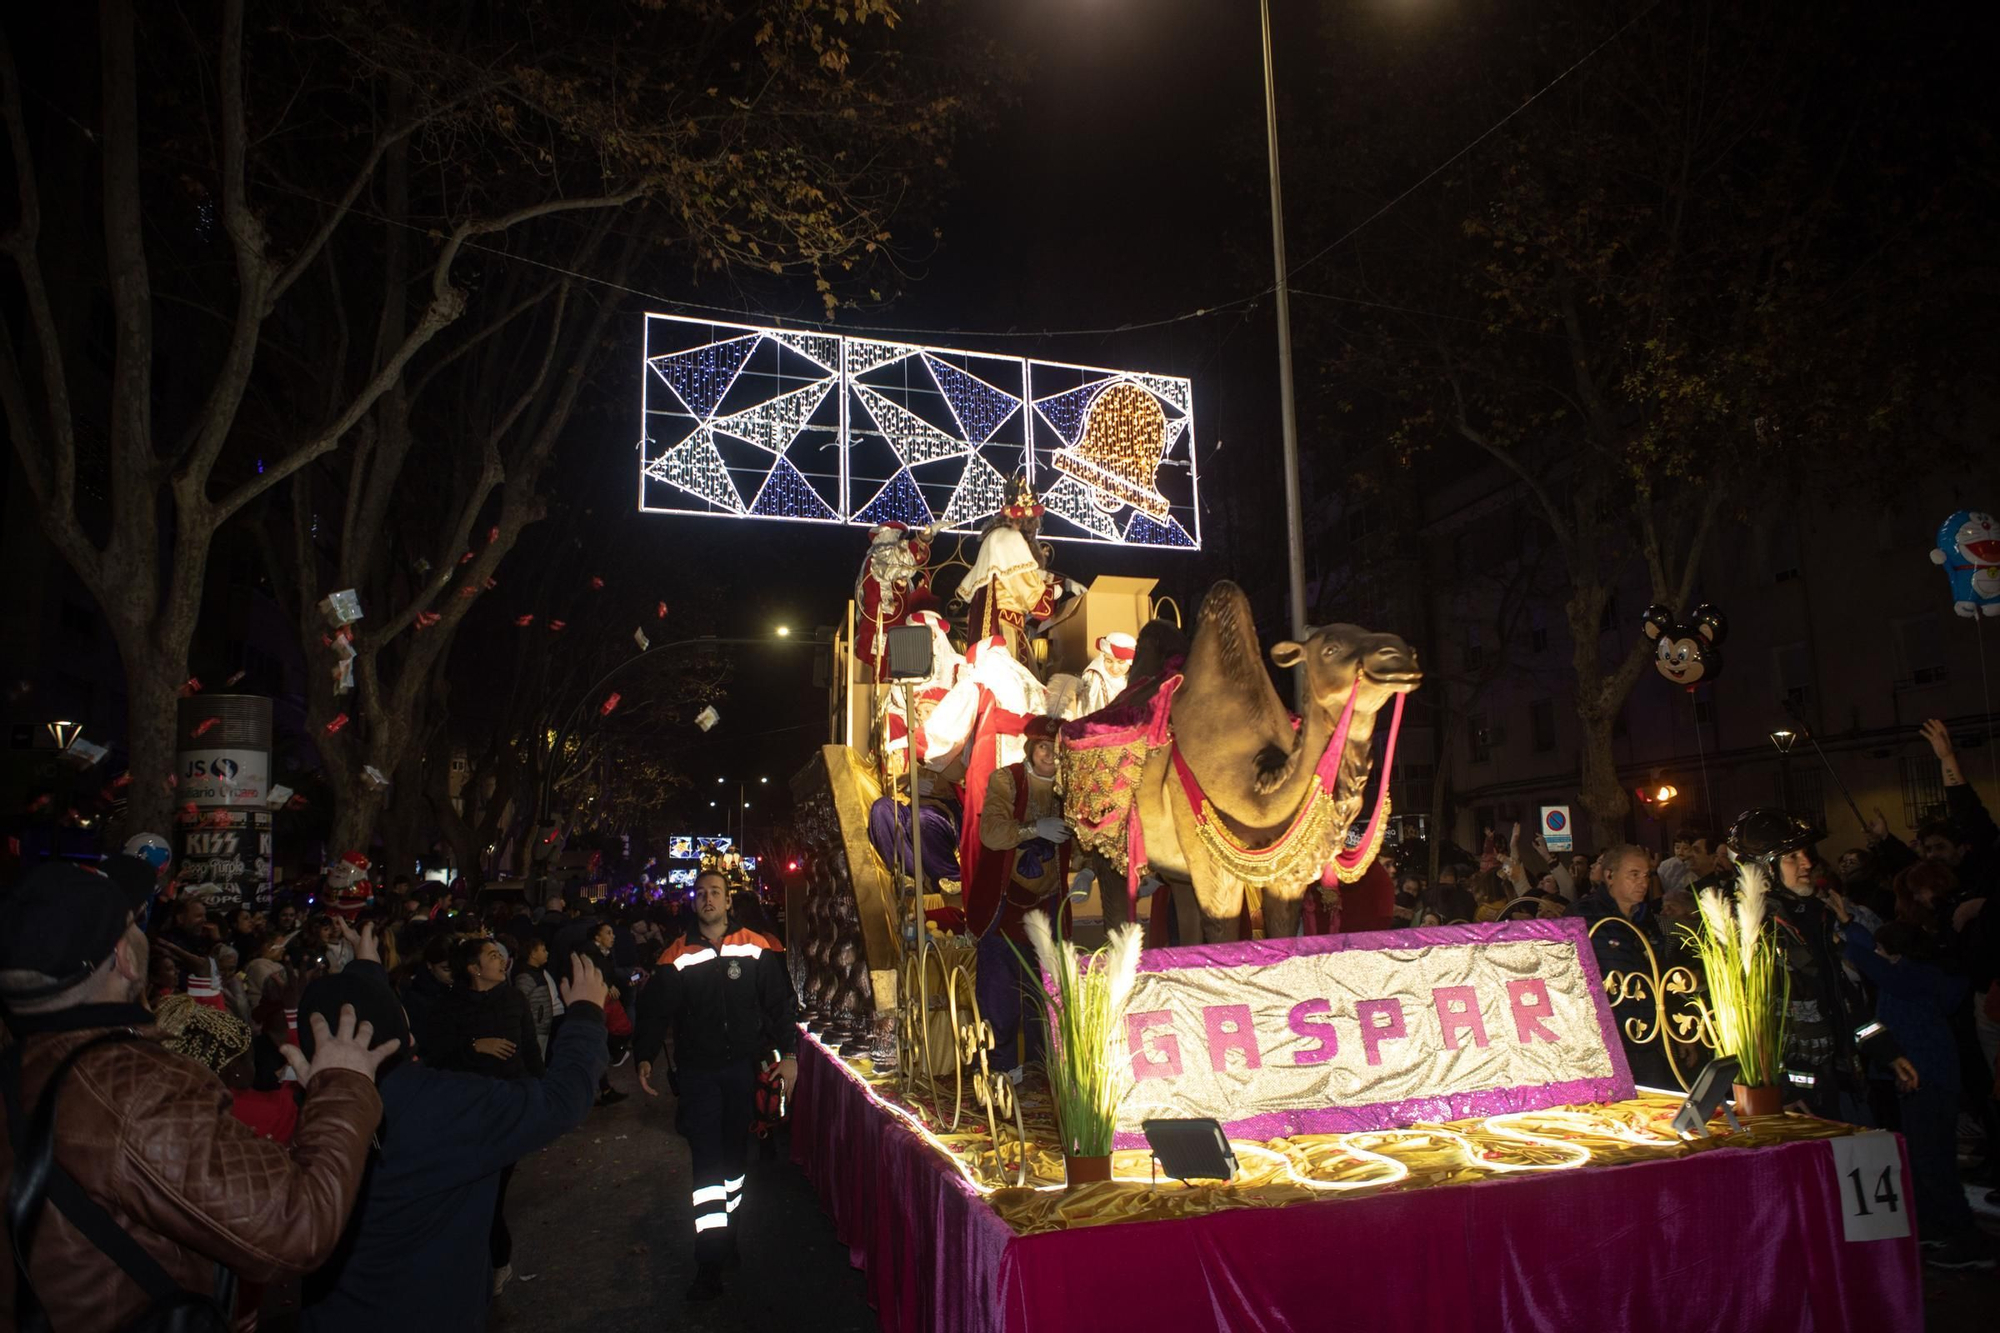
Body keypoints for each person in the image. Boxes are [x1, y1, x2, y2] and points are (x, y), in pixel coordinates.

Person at [0, 860, 395, 1328]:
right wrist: (344, 1084)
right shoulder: (135, 1087)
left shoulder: (24, 1064)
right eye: (133, 922)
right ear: (124, 958)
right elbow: (296, 1225)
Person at [298, 925, 610, 1331]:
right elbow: (561, 1102)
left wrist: (366, 969)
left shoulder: (304, 1116)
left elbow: (362, 1016)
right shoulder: (442, 1106)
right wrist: (586, 1015)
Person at [633, 870, 798, 1302]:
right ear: (694, 902)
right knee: (707, 1168)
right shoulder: (676, 954)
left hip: (742, 1072)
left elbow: (778, 1004)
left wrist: (791, 1055)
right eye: (701, 893)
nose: (708, 899)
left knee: (733, 1165)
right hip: (699, 1076)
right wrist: (644, 1057)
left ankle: (729, 1238)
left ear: (728, 901)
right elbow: (654, 1012)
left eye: (715, 893)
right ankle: (708, 1263)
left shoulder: (755, 945)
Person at [1728, 808, 1874, 1121]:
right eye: (1792, 856)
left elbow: (1842, 994)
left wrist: (1887, 1049)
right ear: (1764, 868)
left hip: (1841, 1079)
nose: (1807, 863)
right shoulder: (1752, 930)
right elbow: (1752, 1022)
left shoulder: (1814, 916)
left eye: (1805, 853)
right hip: (1794, 1098)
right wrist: (1785, 1092)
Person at [966, 715, 1071, 1078]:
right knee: (1000, 992)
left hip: (1049, 904)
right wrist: (1032, 829)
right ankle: (1001, 1067)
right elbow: (992, 833)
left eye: (1057, 749)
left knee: (1047, 993)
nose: (1051, 756)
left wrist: (1086, 869)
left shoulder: (1071, 787)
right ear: (1031, 747)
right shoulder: (1006, 779)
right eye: (1044, 747)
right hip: (1004, 903)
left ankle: (1045, 1071)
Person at [1569, 844, 1681, 1089]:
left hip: (1649, 1036)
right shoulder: (1583, 917)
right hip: (1607, 1040)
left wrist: (1676, 1031)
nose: (1642, 882)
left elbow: (1660, 975)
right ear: (1610, 875)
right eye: (1634, 874)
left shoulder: (1647, 919)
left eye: (1646, 875)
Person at [400, 932, 456, 1056]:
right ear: (430, 965)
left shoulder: (456, 987)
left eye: (456, 968)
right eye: (446, 969)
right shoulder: (416, 995)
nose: (453, 974)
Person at [513, 936, 563, 1059]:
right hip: (536, 1027)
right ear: (533, 954)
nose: (547, 953)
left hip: (541, 1025)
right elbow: (521, 1002)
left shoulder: (537, 972)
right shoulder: (526, 976)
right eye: (543, 950)